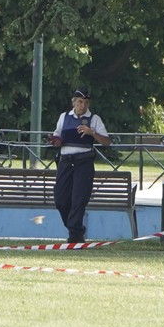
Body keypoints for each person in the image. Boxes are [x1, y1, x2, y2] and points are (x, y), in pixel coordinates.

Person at [50, 88, 111, 243]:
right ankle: (75, 229)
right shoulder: (64, 117)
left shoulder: (94, 119)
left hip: (83, 161)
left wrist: (91, 133)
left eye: (85, 103)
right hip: (65, 160)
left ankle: (75, 235)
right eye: (80, 102)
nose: (82, 106)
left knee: (79, 198)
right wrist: (56, 141)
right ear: (74, 102)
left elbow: (106, 141)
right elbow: (57, 134)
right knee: (61, 199)